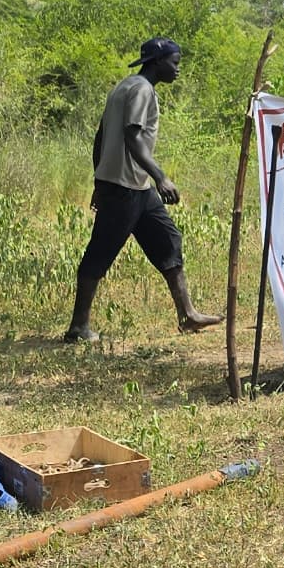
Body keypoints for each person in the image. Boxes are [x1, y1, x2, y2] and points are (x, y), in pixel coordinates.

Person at [63, 37, 222, 343]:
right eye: (174, 63)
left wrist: (99, 179)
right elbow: (133, 137)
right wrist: (161, 177)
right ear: (157, 62)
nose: (177, 70)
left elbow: (100, 138)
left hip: (136, 186)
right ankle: (78, 327)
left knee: (168, 238)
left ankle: (187, 314)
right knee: (99, 253)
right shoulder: (142, 90)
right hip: (124, 188)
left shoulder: (124, 86)